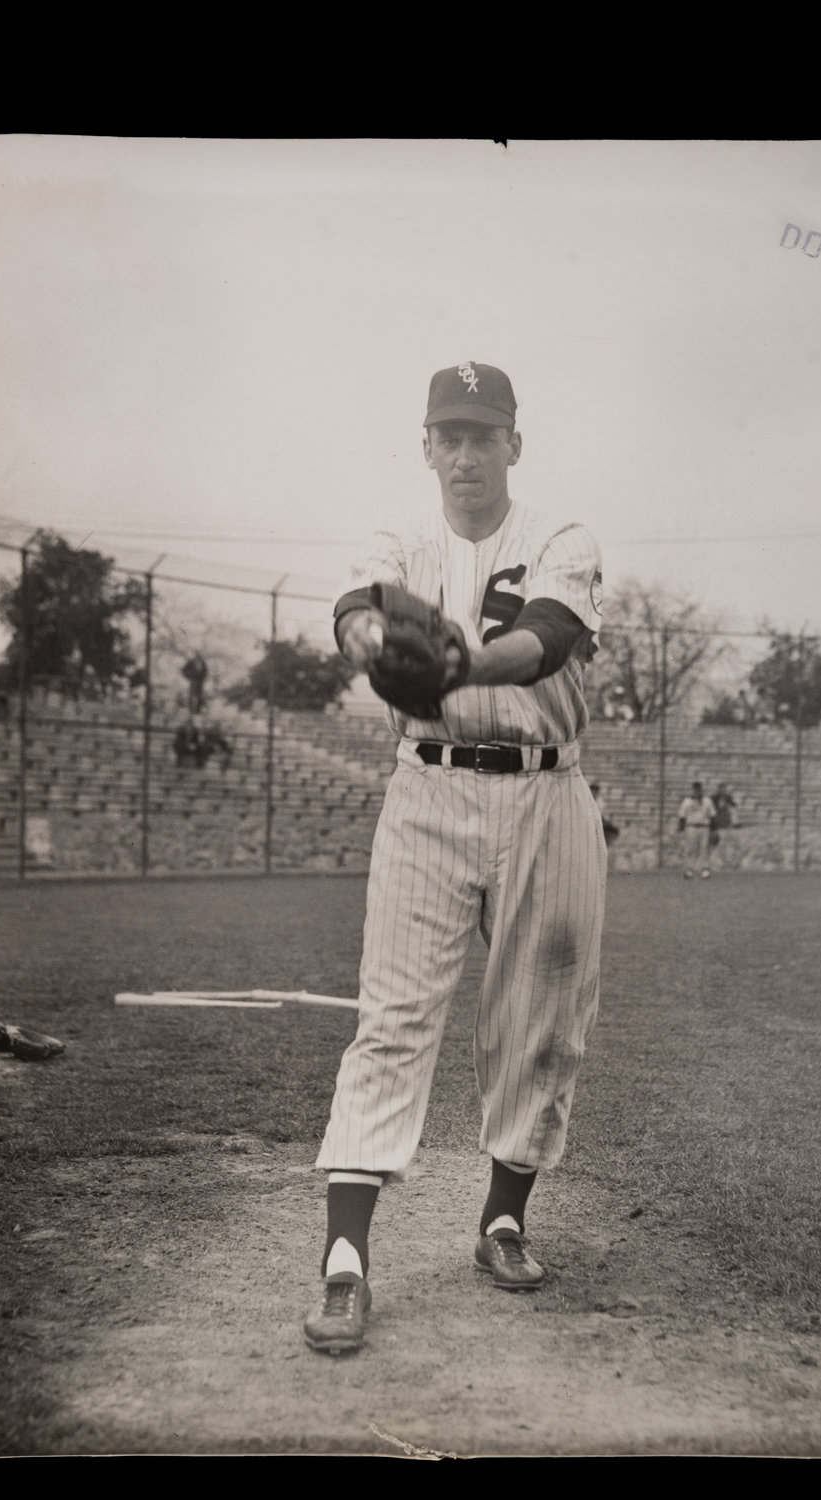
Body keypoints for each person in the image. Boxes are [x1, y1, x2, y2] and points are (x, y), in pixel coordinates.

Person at [302, 361, 607, 1356]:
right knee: (392, 1016)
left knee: (543, 1020)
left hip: (547, 793)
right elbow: (356, 610)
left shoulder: (560, 539)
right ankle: (345, 1260)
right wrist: (364, 640)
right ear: (425, 445)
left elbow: (550, 639)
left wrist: (462, 661)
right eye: (451, 435)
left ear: (515, 443)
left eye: (485, 434)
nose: (467, 452)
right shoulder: (402, 542)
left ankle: (503, 1219)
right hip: (427, 789)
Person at [677, 780, 715, 878]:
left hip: (704, 826)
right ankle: (689, 869)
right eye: (695, 790)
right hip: (691, 826)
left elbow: (712, 815)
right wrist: (681, 828)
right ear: (692, 790)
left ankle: (705, 869)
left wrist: (714, 829)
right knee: (691, 848)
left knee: (704, 848)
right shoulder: (687, 801)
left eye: (699, 789)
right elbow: (682, 815)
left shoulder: (707, 801)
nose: (697, 792)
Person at [589, 781, 621, 846]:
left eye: (595, 791)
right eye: (592, 790)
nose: (594, 793)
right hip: (589, 819)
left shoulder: (600, 802)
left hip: (598, 819)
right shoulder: (586, 800)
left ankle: (606, 842)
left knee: (612, 829)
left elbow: (602, 815)